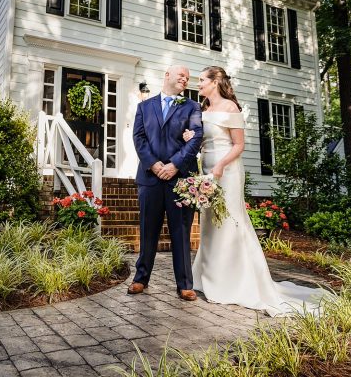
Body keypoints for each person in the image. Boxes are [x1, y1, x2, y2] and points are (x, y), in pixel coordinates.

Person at [183, 66, 324, 316]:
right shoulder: (202, 109)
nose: (199, 84)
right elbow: (201, 142)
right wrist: (189, 139)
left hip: (227, 170)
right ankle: (208, 276)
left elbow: (239, 145)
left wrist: (220, 166)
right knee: (209, 222)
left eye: (202, 80)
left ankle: (234, 281)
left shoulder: (230, 108)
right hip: (206, 168)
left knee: (228, 221)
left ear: (215, 82)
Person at [129, 65, 203, 301]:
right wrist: (154, 164)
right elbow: (139, 138)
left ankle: (185, 284)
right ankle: (141, 279)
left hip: (179, 178)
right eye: (181, 74)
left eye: (188, 78)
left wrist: (174, 165)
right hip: (150, 178)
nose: (185, 78)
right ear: (167, 76)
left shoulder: (192, 106)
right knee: (147, 230)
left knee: (181, 231)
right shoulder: (144, 106)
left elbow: (196, 138)